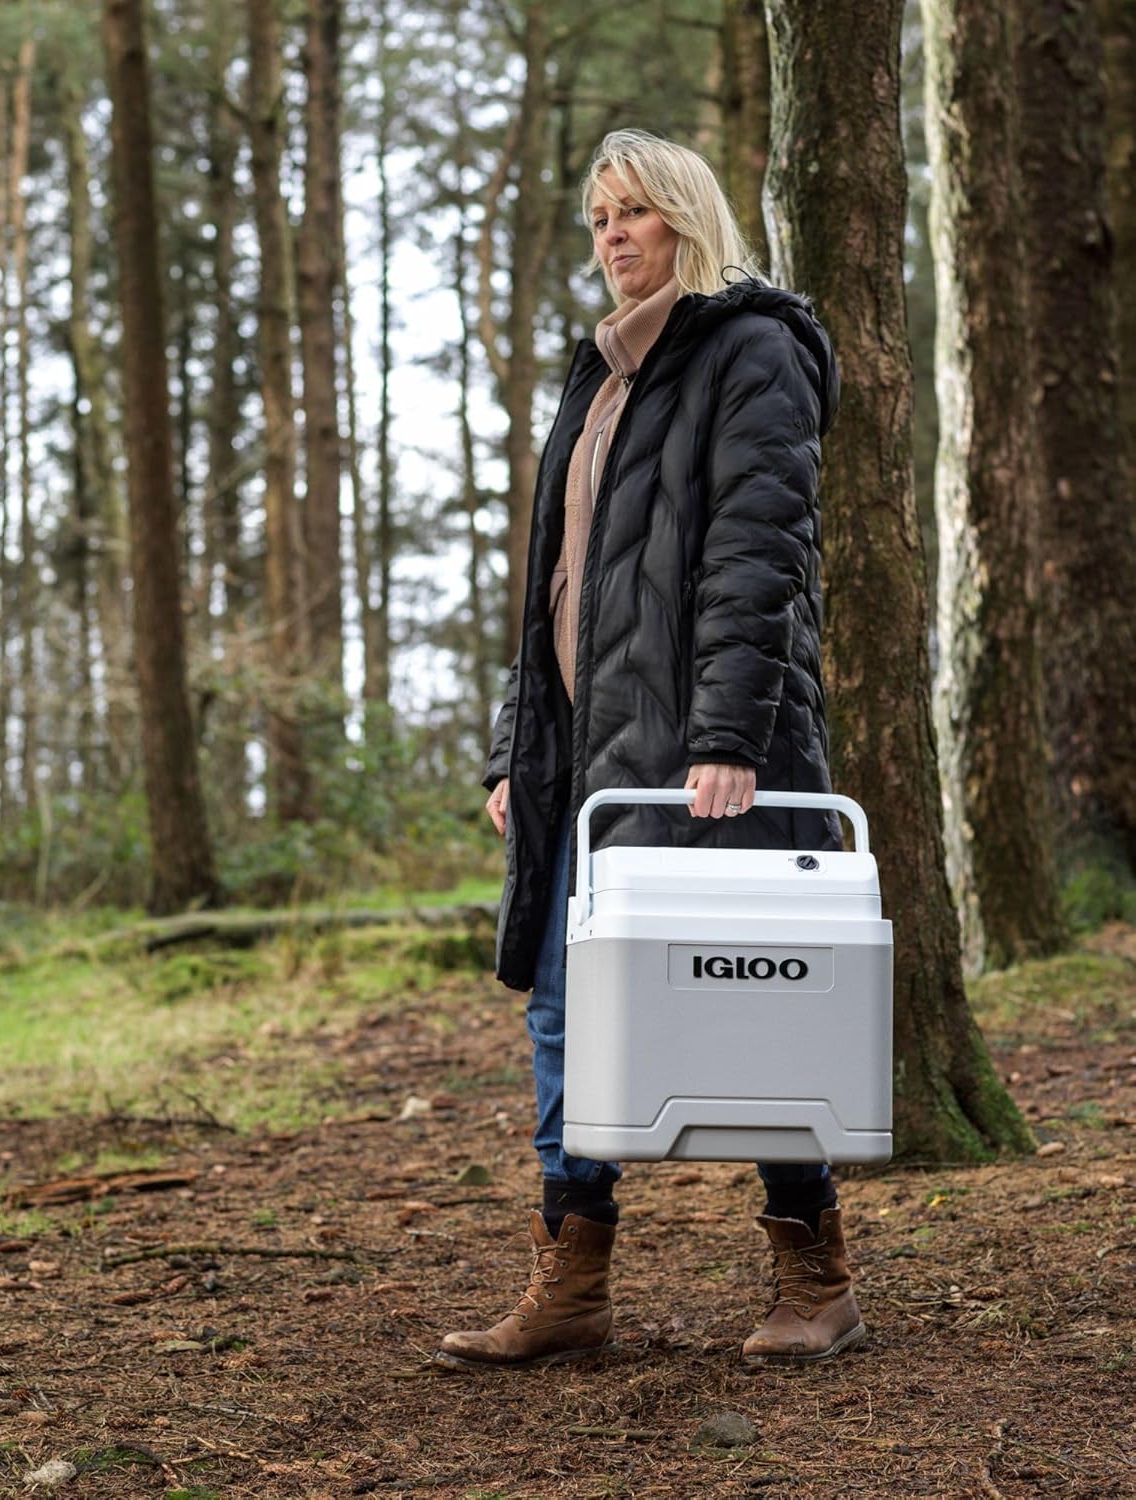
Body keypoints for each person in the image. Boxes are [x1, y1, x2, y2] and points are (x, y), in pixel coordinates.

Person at [436, 129, 864, 1371]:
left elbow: (757, 555)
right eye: (597, 217)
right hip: (595, 768)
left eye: (634, 212)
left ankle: (815, 1271)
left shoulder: (754, 350)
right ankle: (572, 1283)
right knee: (567, 1018)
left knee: (761, 1004)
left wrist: (728, 735)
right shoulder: (600, 376)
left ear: (687, 219)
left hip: (714, 754)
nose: (612, 234)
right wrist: (520, 751)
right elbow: (551, 586)